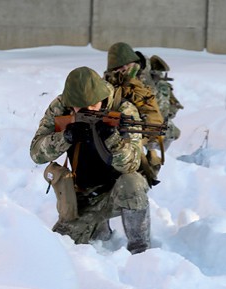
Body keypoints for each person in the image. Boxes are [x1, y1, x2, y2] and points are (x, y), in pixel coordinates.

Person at [30, 66, 151, 254]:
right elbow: (36, 153)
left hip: (116, 191)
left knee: (133, 182)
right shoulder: (60, 107)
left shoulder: (123, 110)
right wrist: (65, 137)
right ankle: (99, 228)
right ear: (71, 105)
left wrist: (113, 141)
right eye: (82, 108)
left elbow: (132, 163)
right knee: (59, 248)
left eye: (94, 105)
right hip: (82, 196)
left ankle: (140, 249)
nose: (90, 110)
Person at [103, 42, 165, 186]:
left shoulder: (142, 83)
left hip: (139, 131)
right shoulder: (107, 83)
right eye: (120, 67)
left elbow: (153, 116)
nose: (125, 70)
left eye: (128, 65)